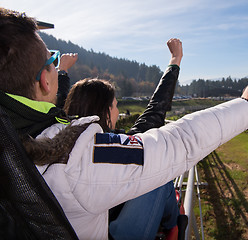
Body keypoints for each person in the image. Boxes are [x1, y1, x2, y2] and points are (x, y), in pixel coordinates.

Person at [0, 8, 248, 240]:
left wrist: (62, 72)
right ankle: (173, 225)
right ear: (45, 81)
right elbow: (176, 143)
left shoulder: (13, 138)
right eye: (52, 60)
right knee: (160, 179)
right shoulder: (77, 154)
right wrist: (246, 106)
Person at [62, 38, 183, 239]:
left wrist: (62, 71)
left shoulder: (60, 135)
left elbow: (59, 99)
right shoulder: (117, 147)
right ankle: (174, 224)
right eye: (116, 105)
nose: (118, 111)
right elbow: (156, 109)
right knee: (158, 175)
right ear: (106, 113)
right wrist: (175, 60)